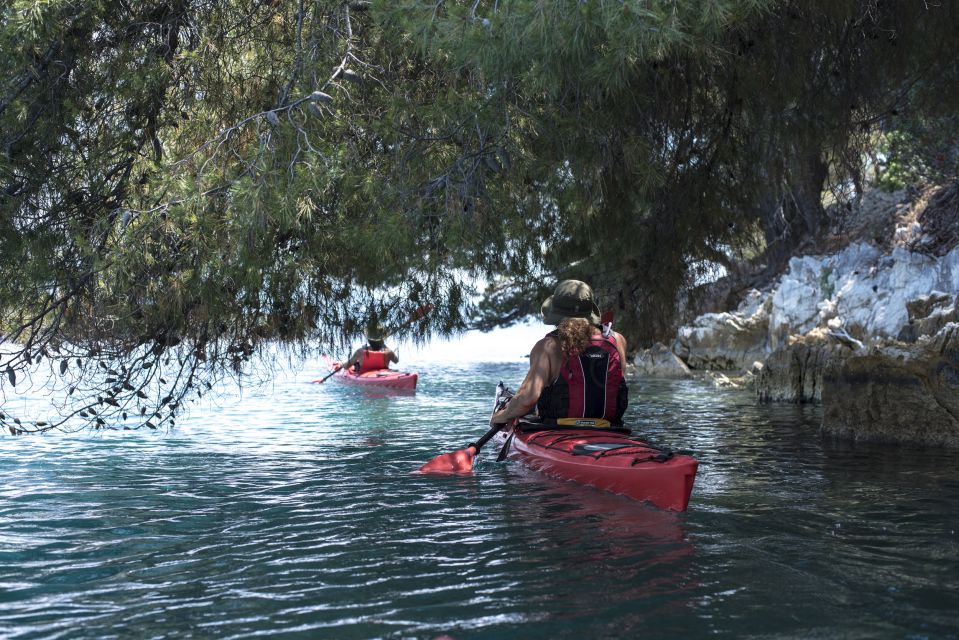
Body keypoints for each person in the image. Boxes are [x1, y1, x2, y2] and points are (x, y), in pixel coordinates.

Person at [490, 279, 628, 427]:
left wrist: (501, 416)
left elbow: (527, 399)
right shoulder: (617, 340)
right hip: (610, 428)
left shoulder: (547, 347)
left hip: (559, 428)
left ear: (556, 313)